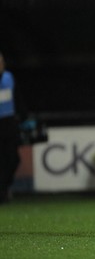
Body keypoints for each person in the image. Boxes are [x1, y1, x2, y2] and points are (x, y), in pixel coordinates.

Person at [0, 51, 27, 204]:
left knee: (13, 159)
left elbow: (17, 98)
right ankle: (2, 191)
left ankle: (4, 188)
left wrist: (25, 116)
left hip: (9, 125)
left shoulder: (9, 77)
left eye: (1, 61)